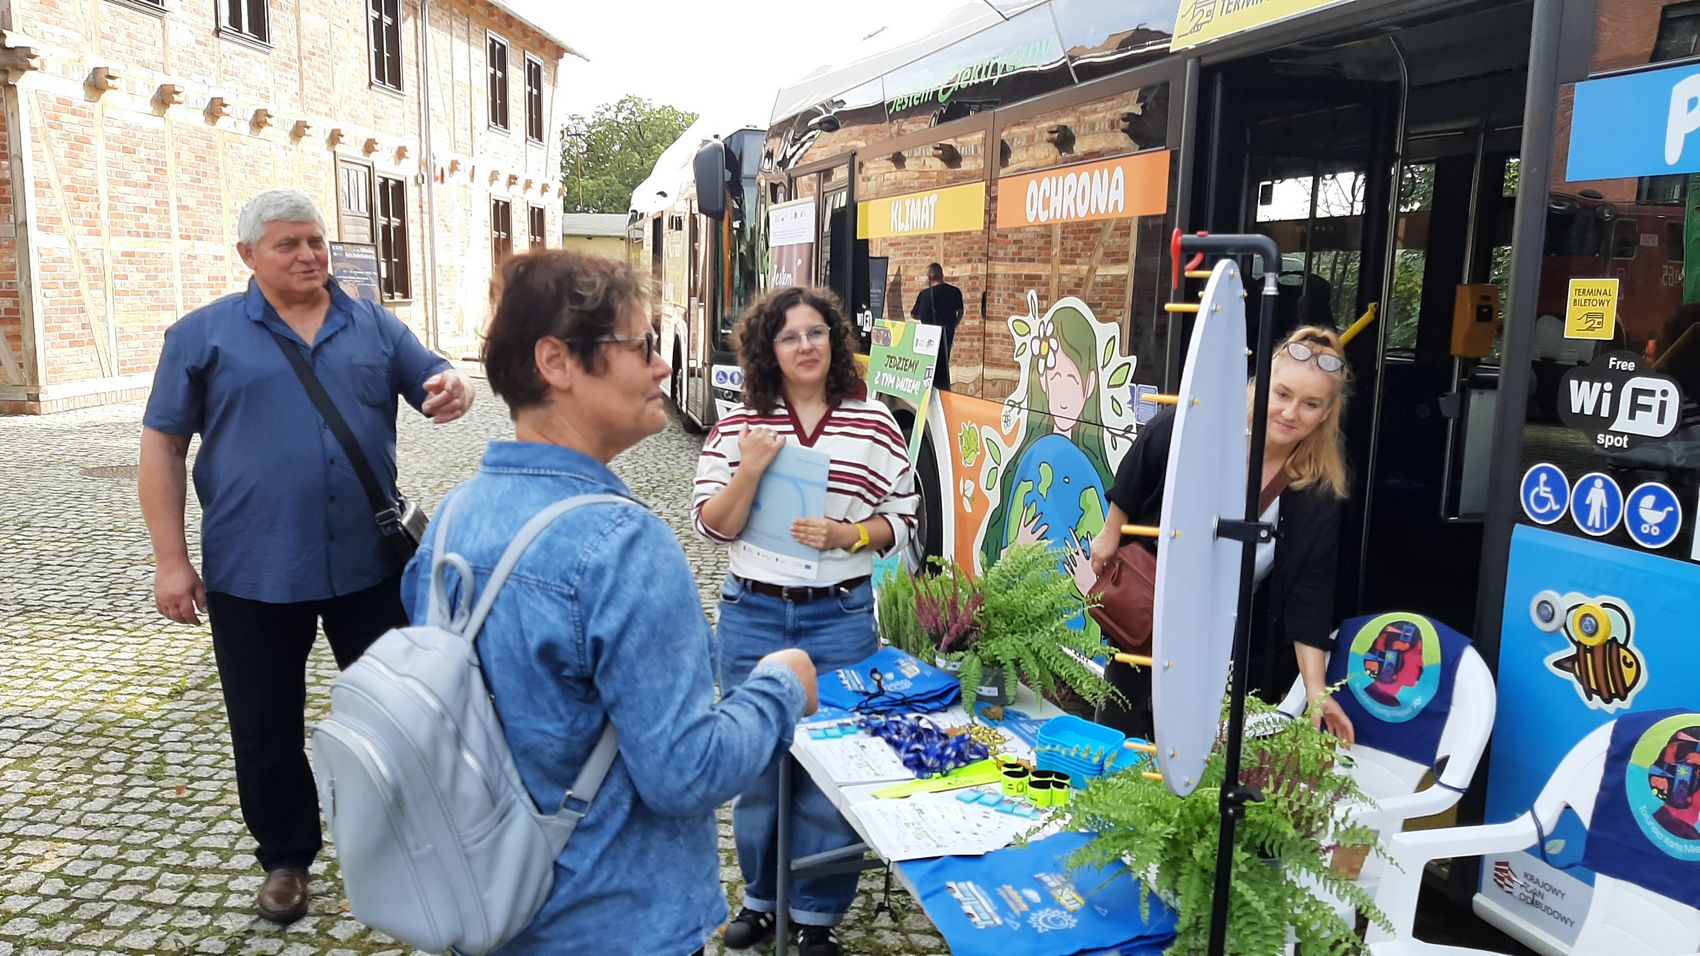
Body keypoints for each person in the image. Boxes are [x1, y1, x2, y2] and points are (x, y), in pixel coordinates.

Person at [403, 250, 819, 955]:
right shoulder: (623, 544)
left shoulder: (453, 516)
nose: (662, 366)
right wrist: (781, 686)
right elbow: (686, 771)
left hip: (490, 899)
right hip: (617, 917)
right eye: (642, 345)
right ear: (557, 362)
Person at [138, 189, 473, 924]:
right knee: (265, 729)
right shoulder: (201, 336)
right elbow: (162, 446)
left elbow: (438, 379)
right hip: (252, 570)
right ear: (248, 255)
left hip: (370, 566)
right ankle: (286, 859)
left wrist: (456, 387)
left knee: (396, 714)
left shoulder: (373, 324)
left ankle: (412, 847)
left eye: (315, 240)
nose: (308, 255)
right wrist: (170, 560)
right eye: (287, 244)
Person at [694, 286, 920, 956]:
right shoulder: (739, 425)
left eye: (816, 332)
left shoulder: (872, 423)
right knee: (759, 764)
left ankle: (816, 914)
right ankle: (762, 901)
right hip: (755, 613)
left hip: (838, 617)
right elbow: (712, 524)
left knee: (834, 766)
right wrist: (751, 470)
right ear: (769, 349)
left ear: (835, 339)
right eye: (789, 336)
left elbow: (904, 516)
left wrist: (851, 535)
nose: (805, 346)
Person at [1088, 325, 1356, 746]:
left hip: (1221, 633)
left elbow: (1310, 591)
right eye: (1282, 394)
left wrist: (1318, 694)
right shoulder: (1205, 425)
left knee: (1191, 745)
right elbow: (1147, 452)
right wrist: (1110, 531)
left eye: (1310, 404)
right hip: (1152, 607)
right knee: (1119, 723)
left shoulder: (1315, 490)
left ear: (1326, 414)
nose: (1290, 413)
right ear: (1261, 385)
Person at [909, 262, 963, 390]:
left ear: (929, 277)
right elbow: (960, 312)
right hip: (947, 335)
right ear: (941, 275)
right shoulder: (955, 292)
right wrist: (952, 325)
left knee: (929, 369)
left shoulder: (924, 295)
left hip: (928, 338)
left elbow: (914, 315)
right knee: (943, 365)